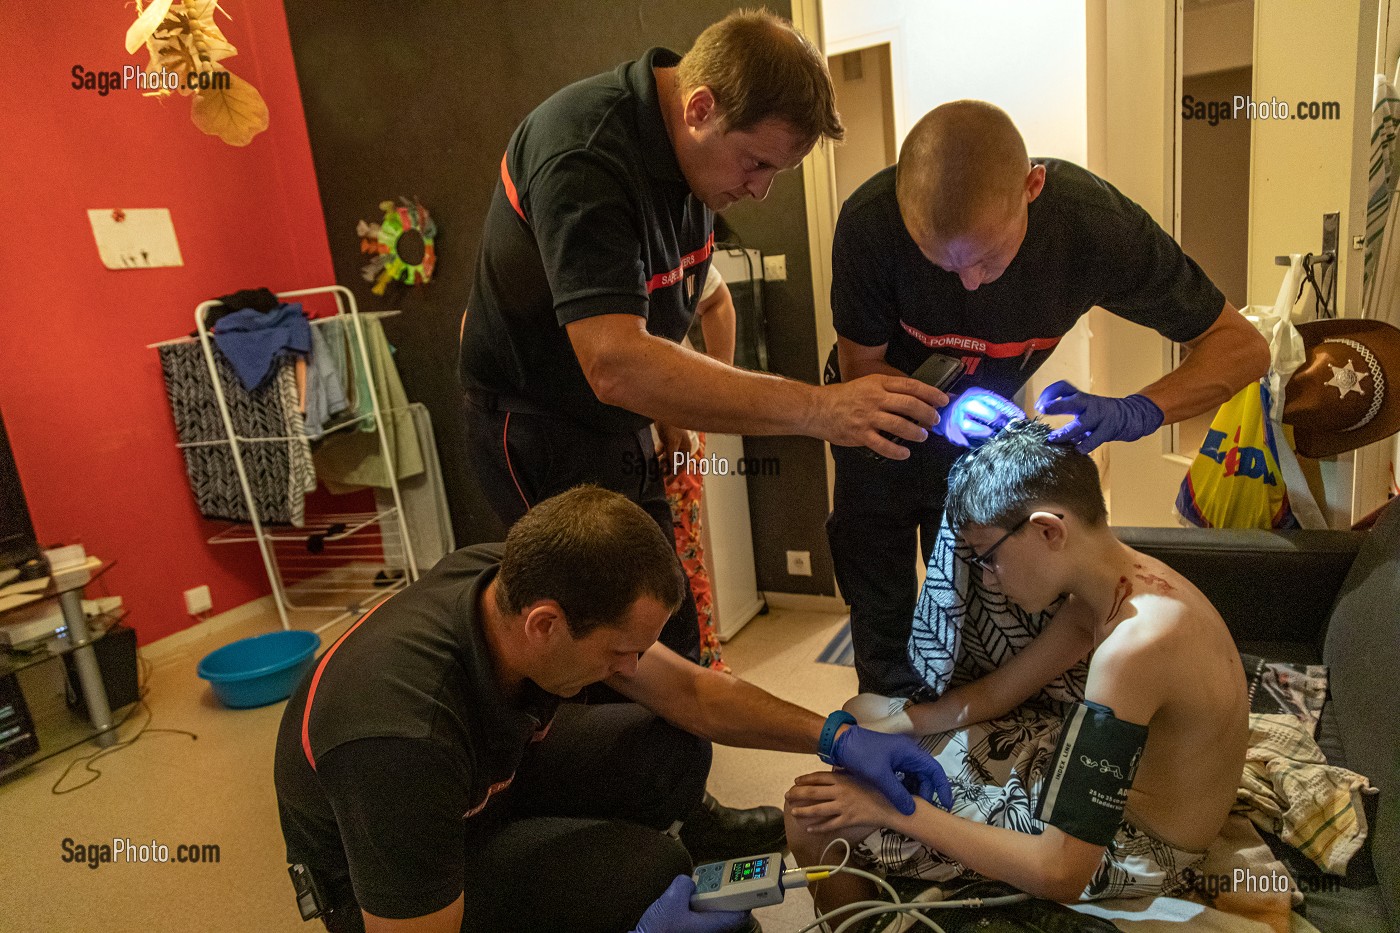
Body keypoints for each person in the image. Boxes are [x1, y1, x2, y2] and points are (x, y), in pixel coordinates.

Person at [458, 9, 949, 670]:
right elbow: (614, 361)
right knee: (602, 649)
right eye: (757, 163)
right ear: (700, 109)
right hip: (536, 425)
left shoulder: (697, 170)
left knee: (668, 622)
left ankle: (681, 739)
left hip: (620, 422)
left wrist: (669, 416)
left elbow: (662, 312)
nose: (762, 190)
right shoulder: (584, 151)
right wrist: (819, 408)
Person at [274, 486, 951, 933]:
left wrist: (837, 736)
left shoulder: (514, 579)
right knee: (647, 874)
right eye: (620, 652)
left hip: (483, 779)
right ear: (545, 625)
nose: (631, 669)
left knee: (670, 746)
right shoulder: (397, 738)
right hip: (399, 872)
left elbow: (692, 694)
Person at [825, 99, 1270, 696]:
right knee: (880, 612)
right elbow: (862, 373)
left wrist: (1138, 410)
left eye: (987, 258)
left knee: (978, 615)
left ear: (1032, 187)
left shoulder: (1090, 227)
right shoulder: (870, 223)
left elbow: (1243, 348)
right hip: (880, 431)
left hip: (971, 453)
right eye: (942, 263)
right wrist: (948, 410)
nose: (969, 284)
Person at [785, 420, 1250, 908]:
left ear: (1048, 530)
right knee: (862, 711)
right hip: (1111, 791)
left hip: (1135, 846)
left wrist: (889, 809)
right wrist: (890, 726)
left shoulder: (1133, 649)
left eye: (989, 558)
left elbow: (1061, 872)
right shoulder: (1116, 588)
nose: (988, 581)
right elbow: (997, 692)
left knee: (809, 819)